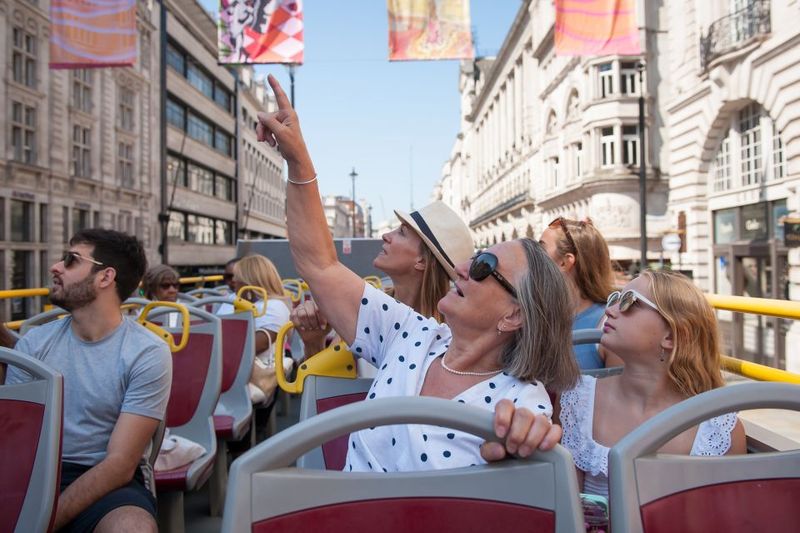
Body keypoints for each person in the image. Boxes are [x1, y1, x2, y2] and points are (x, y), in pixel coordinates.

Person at [256, 75, 574, 471]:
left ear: (514, 315)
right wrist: (298, 159)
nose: (461, 268)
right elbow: (320, 264)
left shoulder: (523, 402)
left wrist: (529, 439)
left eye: (483, 267)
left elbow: (530, 460)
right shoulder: (414, 334)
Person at [4, 229, 172, 533]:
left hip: (106, 481)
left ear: (105, 277)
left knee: (131, 528)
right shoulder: (34, 343)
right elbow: (14, 438)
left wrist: (44, 521)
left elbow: (120, 465)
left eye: (70, 260)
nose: (55, 266)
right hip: (32, 473)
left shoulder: (147, 353)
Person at [558, 270, 746, 498]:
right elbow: (568, 508)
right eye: (615, 299)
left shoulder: (718, 429)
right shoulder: (577, 399)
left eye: (629, 303)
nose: (609, 311)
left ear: (671, 336)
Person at [291, 200, 473, 369]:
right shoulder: (367, 309)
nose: (386, 235)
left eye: (401, 232)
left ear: (422, 261)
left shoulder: (450, 337)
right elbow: (327, 389)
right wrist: (313, 342)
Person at [539, 217, 622, 369]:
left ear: (565, 262)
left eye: (541, 249)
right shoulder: (536, 315)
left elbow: (619, 390)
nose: (533, 256)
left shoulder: (609, 324)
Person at [217, 254, 292, 402]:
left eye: (237, 276)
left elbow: (253, 347)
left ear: (250, 280)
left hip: (248, 372)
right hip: (227, 366)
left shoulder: (275, 306)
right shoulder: (233, 299)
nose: (233, 281)